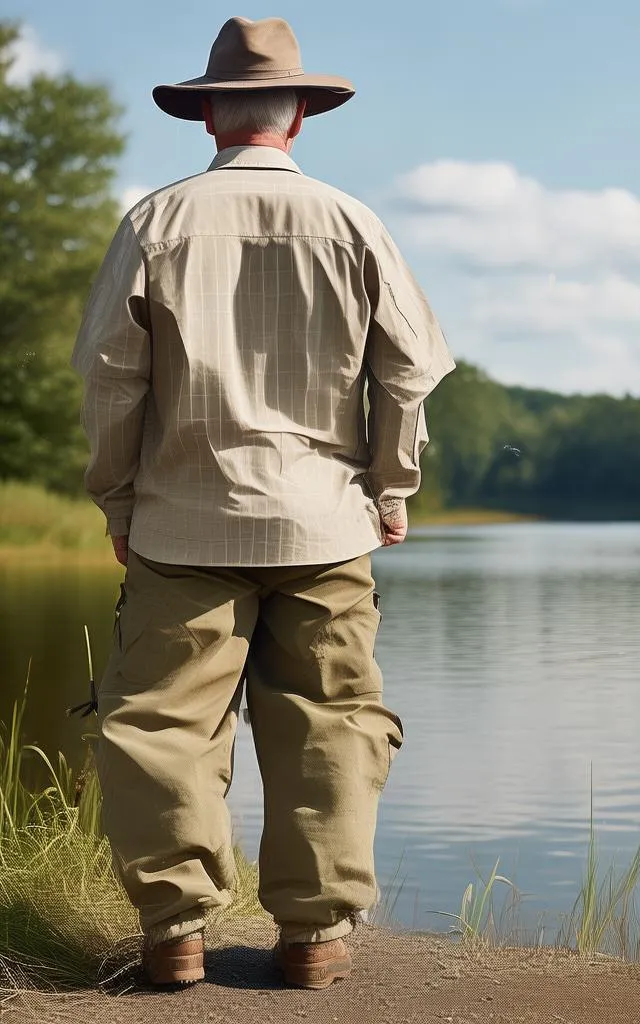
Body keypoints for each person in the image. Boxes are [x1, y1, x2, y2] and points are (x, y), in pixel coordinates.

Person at [71, 15, 455, 990]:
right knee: (329, 721)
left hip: (180, 522)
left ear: (207, 116)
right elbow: (407, 371)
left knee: (162, 724)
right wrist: (390, 486)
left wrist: (118, 498)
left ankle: (175, 936)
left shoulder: (153, 223)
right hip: (325, 522)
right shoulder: (355, 222)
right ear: (298, 118)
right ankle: (314, 938)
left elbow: (110, 378)